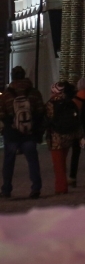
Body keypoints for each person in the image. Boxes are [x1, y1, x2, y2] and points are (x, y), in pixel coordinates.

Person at [0, 66, 45, 199]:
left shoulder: (7, 94)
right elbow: (41, 111)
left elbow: (1, 113)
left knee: (8, 162)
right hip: (29, 132)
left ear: (12, 76)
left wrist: (11, 124)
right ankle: (36, 187)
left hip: (12, 134)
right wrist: (34, 126)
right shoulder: (34, 92)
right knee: (32, 161)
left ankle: (6, 189)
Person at [44, 81, 81, 195]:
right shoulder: (70, 102)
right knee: (62, 162)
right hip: (68, 136)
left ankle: (61, 188)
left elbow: (48, 119)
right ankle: (62, 184)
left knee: (58, 165)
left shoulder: (52, 103)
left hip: (56, 138)